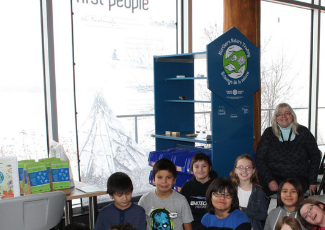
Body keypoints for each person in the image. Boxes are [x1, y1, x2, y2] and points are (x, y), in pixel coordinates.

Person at [256, 102, 321, 197]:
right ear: (275, 118)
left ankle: (290, 212)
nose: (283, 116)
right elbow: (260, 158)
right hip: (273, 176)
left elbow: (315, 156)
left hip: (298, 177)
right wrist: (270, 180)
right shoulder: (268, 133)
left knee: (289, 192)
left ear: (292, 115)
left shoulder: (303, 132)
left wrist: (312, 181)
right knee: (255, 188)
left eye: (287, 113)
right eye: (279, 114)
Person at [138, 158, 194, 230]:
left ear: (174, 180)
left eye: (168, 177)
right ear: (153, 180)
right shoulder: (144, 200)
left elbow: (188, 226)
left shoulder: (181, 200)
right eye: (160, 177)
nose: (164, 181)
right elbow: (138, 223)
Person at [180, 152, 218, 230]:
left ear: (210, 168)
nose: (200, 169)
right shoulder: (187, 187)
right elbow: (182, 212)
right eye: (196, 166)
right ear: (191, 170)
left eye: (204, 166)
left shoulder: (217, 186)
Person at [229, 154, 268, 230]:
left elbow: (263, 216)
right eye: (240, 167)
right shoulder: (230, 189)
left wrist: (243, 210)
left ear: (253, 170)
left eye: (248, 167)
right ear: (235, 170)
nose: (244, 170)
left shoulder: (259, 191)